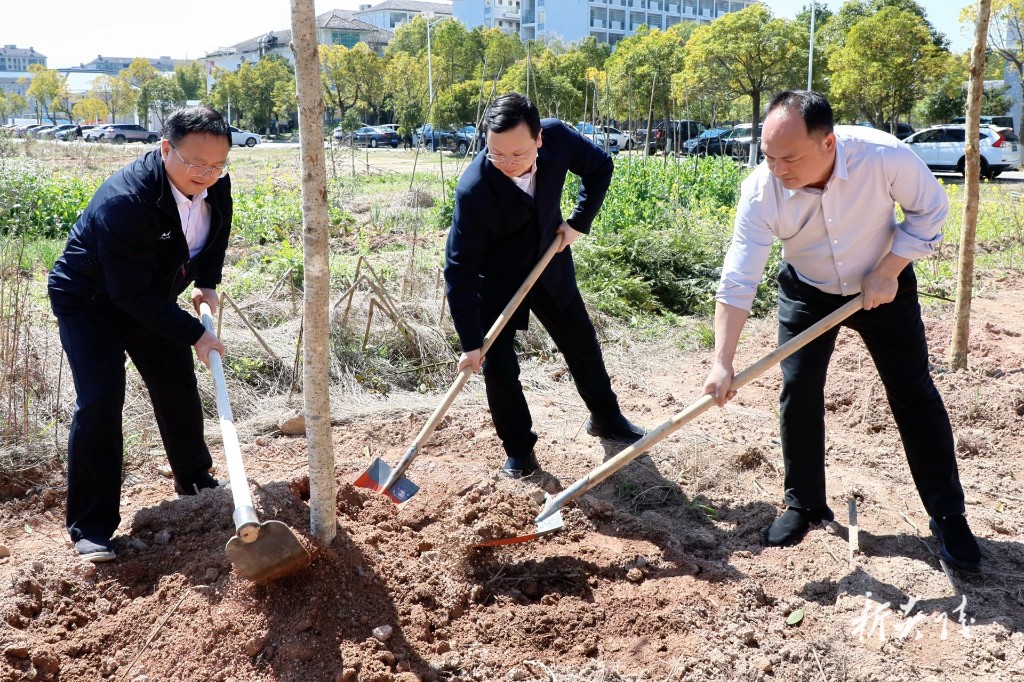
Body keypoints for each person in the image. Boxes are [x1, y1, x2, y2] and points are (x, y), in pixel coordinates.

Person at [703, 90, 981, 570]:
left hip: (883, 283)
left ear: (828, 143)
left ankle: (947, 515)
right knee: (799, 388)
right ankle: (805, 504)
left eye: (790, 158)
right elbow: (739, 277)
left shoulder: (882, 156)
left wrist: (889, 269)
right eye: (769, 156)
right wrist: (722, 361)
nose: (778, 169)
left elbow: (931, 209)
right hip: (807, 289)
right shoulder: (761, 190)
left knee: (913, 390)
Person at [48, 105, 233, 563]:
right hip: (91, 302)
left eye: (217, 165)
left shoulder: (214, 183)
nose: (206, 175)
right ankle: (91, 527)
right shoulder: (126, 201)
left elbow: (217, 229)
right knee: (101, 400)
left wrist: (207, 281)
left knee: (176, 385)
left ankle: (195, 480)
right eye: (195, 164)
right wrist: (195, 334)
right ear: (165, 148)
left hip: (150, 296)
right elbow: (127, 293)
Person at [444, 92, 645, 478]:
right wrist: (470, 342)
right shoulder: (474, 189)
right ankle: (519, 450)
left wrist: (578, 222)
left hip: (549, 262)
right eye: (496, 153)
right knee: (500, 369)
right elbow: (458, 269)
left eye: (517, 154)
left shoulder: (558, 138)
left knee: (581, 343)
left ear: (539, 138)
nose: (507, 163)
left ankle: (606, 417)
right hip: (497, 281)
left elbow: (600, 167)